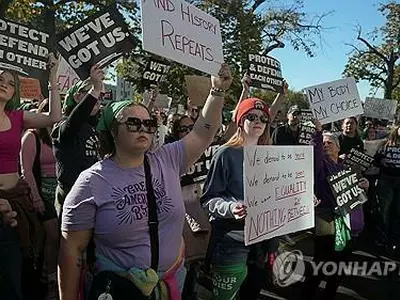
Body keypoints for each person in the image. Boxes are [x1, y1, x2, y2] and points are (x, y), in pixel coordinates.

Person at [58, 64, 233, 300]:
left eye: (149, 124)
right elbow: (72, 250)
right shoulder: (91, 182)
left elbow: (203, 132)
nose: (143, 128)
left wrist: (217, 92)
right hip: (119, 289)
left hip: (172, 283)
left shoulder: (168, 159)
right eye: (132, 123)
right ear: (112, 130)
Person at [201, 97, 282, 300]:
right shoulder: (225, 154)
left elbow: (279, 193)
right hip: (232, 238)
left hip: (263, 238)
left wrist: (302, 199)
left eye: (263, 118)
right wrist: (230, 208)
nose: (258, 121)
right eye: (252, 116)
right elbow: (208, 199)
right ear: (240, 120)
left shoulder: (273, 156)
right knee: (225, 296)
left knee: (252, 291)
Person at [0, 53, 61, 300]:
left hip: (16, 206)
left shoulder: (17, 118)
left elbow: (53, 117)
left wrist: (53, 78)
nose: (5, 83)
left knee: (15, 273)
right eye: (0, 79)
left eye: (10, 82)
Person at [300, 122, 369, 300]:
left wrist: (364, 185)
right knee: (321, 263)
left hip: (348, 222)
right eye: (322, 143)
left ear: (338, 147)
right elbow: (314, 153)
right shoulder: (320, 166)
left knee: (340, 264)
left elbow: (358, 192)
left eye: (329, 142)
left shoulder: (348, 166)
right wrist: (317, 133)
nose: (325, 145)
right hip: (327, 219)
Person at [20, 99, 59, 300]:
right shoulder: (31, 136)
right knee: (51, 233)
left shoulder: (60, 135)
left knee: (51, 238)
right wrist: (36, 199)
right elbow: (26, 170)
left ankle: (46, 273)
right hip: (41, 194)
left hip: (59, 194)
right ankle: (48, 280)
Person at [51, 65, 103, 217]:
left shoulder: (95, 126)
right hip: (71, 194)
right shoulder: (63, 125)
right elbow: (77, 118)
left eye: (100, 96)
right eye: (89, 93)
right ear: (76, 97)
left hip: (95, 193)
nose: (97, 100)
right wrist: (96, 88)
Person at [374, 126, 400, 250]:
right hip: (386, 180)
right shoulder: (385, 143)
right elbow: (375, 160)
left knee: (398, 211)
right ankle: (383, 237)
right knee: (384, 210)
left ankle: (395, 238)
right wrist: (381, 161)